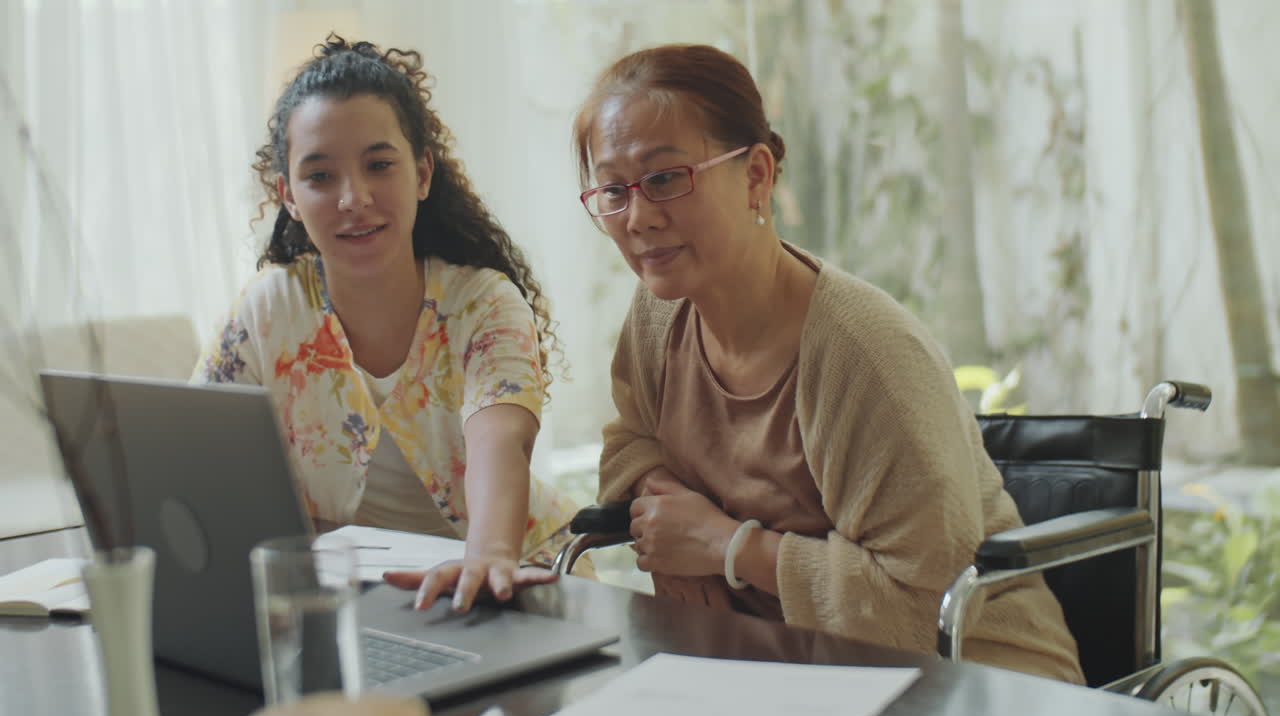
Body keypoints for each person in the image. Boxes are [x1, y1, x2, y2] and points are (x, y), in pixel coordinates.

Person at [574, 43, 1084, 683]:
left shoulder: (866, 356)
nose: (639, 218)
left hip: (973, 676)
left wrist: (725, 548)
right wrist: (667, 522)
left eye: (666, 178)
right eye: (614, 190)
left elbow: (920, 605)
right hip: (777, 667)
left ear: (756, 175)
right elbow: (631, 437)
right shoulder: (658, 317)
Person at [193, 35, 580, 612]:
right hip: (364, 596)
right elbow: (193, 445)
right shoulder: (268, 308)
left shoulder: (483, 303)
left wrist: (490, 553)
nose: (354, 198)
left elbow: (499, 443)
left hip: (511, 579)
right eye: (320, 176)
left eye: (379, 165)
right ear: (289, 196)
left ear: (422, 174)